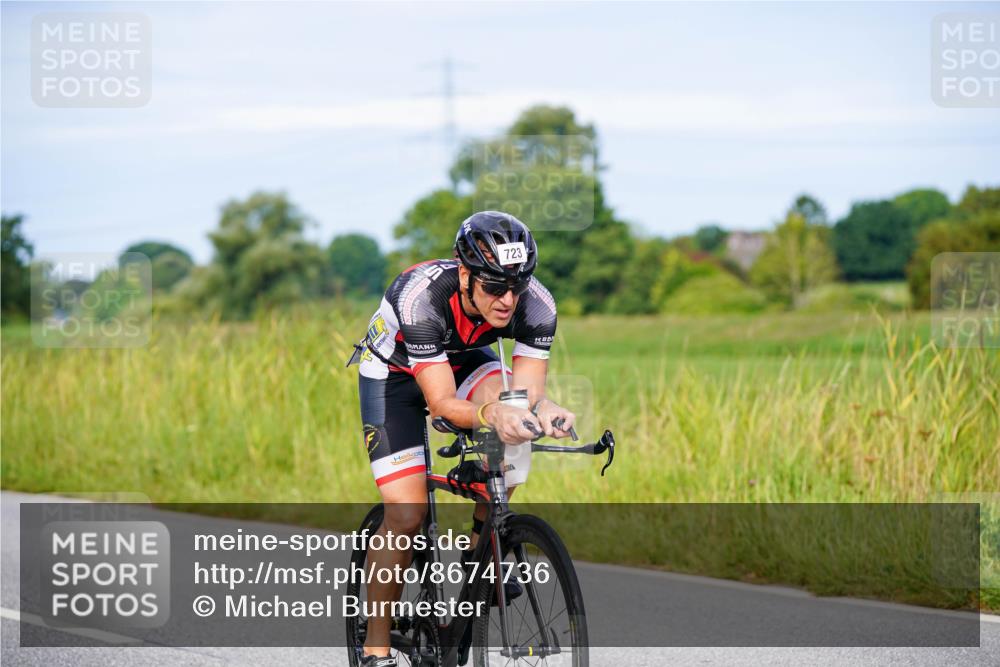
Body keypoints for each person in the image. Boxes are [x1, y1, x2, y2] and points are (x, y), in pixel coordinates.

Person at [351, 210, 576, 666]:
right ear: (464, 274)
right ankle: (376, 647)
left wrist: (542, 408)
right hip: (394, 376)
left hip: (464, 359)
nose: (508, 301)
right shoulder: (422, 299)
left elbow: (528, 393)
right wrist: (490, 413)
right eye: (494, 287)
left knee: (516, 419)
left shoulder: (537, 304)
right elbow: (442, 403)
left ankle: (481, 551)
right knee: (407, 513)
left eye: (517, 286)